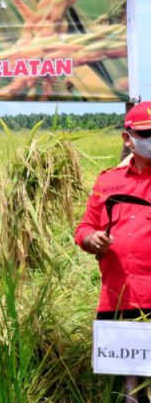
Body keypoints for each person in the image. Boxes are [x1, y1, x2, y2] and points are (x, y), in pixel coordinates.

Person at [76, 102, 151, 319]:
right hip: (115, 302)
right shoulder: (107, 181)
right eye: (146, 133)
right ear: (127, 139)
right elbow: (84, 228)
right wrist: (92, 239)